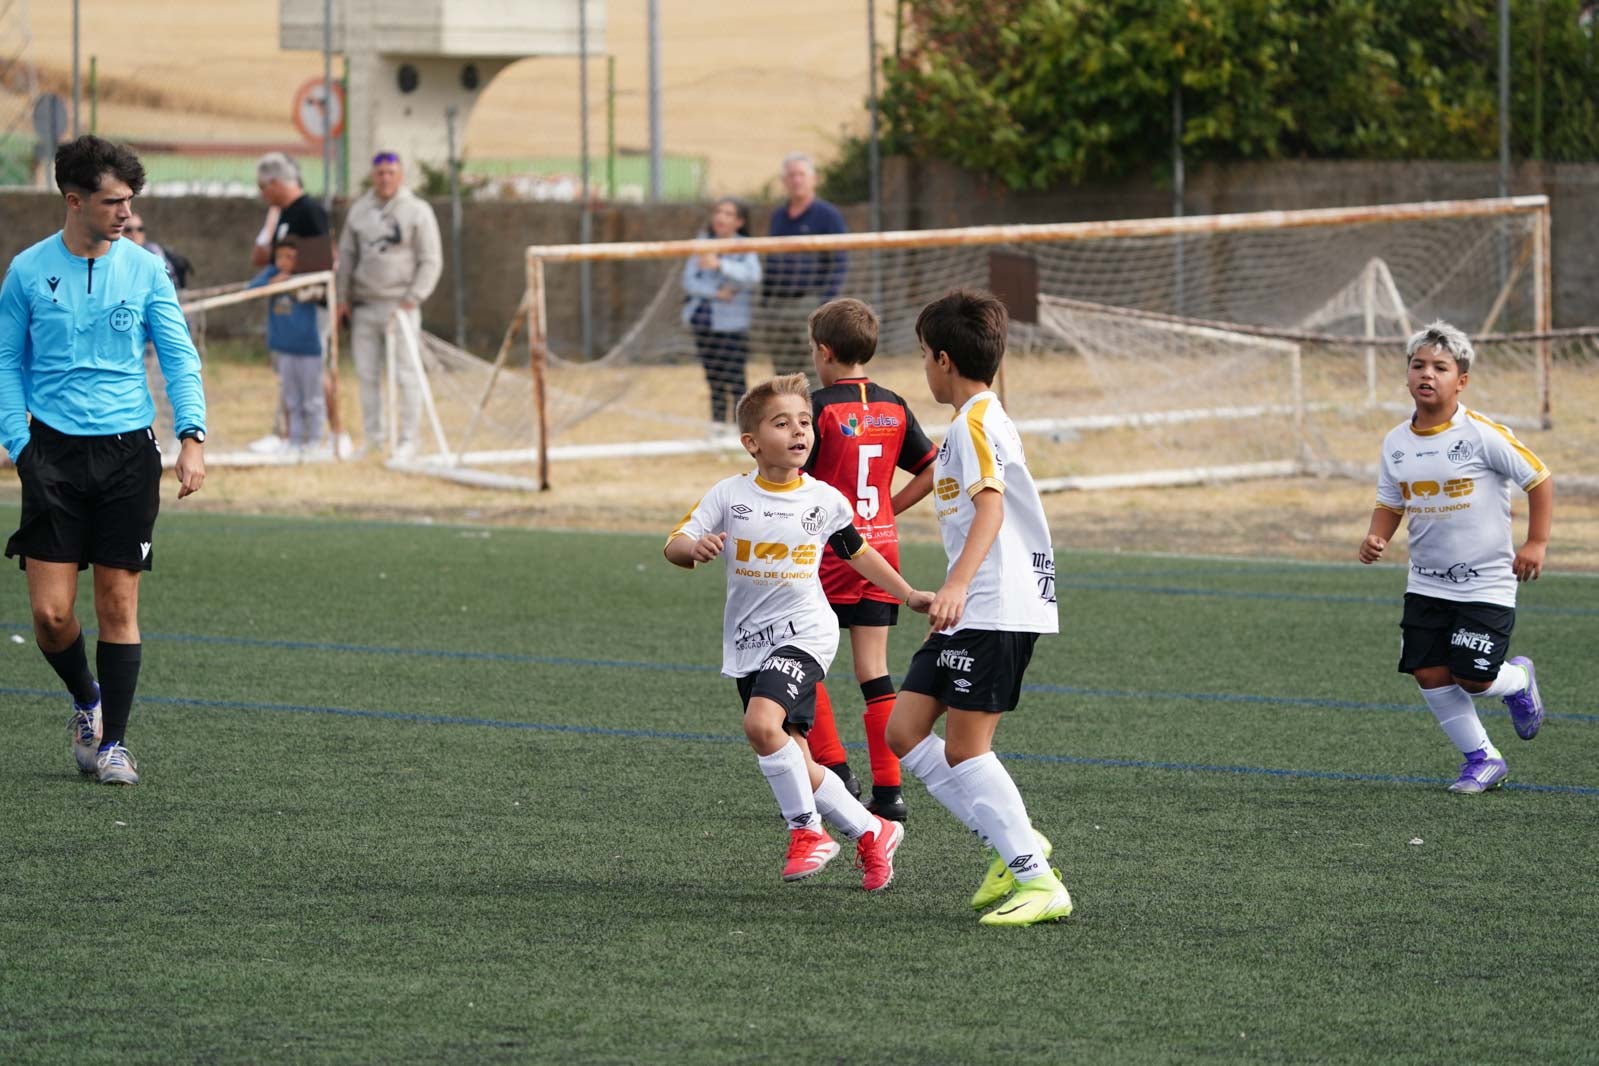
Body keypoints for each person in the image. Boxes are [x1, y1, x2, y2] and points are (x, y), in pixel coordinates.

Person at [664, 373, 933, 891]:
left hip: (806, 634)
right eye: (782, 423)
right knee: (795, 758)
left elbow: (859, 552)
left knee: (761, 725)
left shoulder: (825, 500)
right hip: (749, 643)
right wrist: (691, 552)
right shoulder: (729, 494)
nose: (799, 432)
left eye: (805, 423)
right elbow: (676, 540)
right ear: (751, 442)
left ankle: (807, 831)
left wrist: (908, 593)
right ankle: (872, 829)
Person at [0, 134, 207, 787]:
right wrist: (20, 443)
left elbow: (177, 356)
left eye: (130, 201)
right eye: (114, 201)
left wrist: (192, 435)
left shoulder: (146, 269)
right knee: (51, 615)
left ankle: (114, 743)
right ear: (75, 200)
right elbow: (6, 361)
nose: (126, 213)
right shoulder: (28, 270)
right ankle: (86, 701)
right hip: (51, 452)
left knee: (118, 603)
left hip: (127, 453)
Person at [884, 289, 1071, 927]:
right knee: (904, 732)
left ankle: (1036, 878)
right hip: (973, 606)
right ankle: (1011, 843)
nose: (923, 369)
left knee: (966, 750)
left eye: (922, 357)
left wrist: (957, 584)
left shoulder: (978, 422)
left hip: (995, 605)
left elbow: (990, 505)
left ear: (942, 359)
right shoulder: (968, 422)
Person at [1358, 321, 1552, 794]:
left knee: (1472, 677)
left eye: (1440, 367)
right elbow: (1391, 501)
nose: (1427, 374)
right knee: (1428, 672)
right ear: (1407, 375)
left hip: (1486, 581)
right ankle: (1483, 759)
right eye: (1418, 365)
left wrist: (1536, 543)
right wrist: (1375, 536)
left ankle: (1518, 680)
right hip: (1425, 581)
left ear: (1460, 380)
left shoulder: (1482, 434)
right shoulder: (1396, 442)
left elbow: (1539, 478)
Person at [800, 297, 936, 822]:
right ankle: (890, 793)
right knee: (875, 672)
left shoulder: (818, 408)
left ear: (825, 351)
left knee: (806, 662)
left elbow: (794, 478)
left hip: (832, 552)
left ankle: (835, 772)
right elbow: (930, 467)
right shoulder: (894, 405)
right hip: (882, 548)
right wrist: (888, 506)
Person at [336, 150, 443, 460]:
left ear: (401, 175)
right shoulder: (359, 211)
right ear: (373, 175)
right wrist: (343, 298)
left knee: (406, 374)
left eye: (390, 172)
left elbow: (430, 259)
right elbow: (346, 258)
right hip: (365, 305)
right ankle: (374, 437)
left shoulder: (417, 210)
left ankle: (408, 440)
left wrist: (413, 298)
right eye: (380, 172)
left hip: (401, 307)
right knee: (367, 375)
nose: (385, 178)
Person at [253, 153, 331, 455]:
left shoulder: (310, 211)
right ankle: (291, 436)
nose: (262, 195)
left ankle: (320, 436)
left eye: (263, 187)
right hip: (286, 311)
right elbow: (265, 258)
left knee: (311, 376)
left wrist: (287, 279)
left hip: (310, 310)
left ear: (275, 183)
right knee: (288, 377)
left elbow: (321, 263)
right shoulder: (283, 212)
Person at [758, 152, 847, 377]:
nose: (796, 180)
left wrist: (824, 303)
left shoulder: (828, 215)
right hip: (778, 306)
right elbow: (771, 260)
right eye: (791, 175)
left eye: (801, 174)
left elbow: (840, 261)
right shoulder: (778, 216)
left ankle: (814, 413)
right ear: (784, 181)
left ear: (814, 179)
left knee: (813, 369)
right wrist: (766, 301)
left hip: (809, 303)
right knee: (783, 374)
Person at [681, 197, 760, 424]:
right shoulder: (702, 242)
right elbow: (688, 281)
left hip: (733, 324)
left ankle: (741, 429)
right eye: (718, 211)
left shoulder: (745, 246)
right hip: (704, 321)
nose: (720, 217)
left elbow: (753, 276)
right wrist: (715, 293)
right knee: (713, 379)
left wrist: (720, 265)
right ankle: (717, 426)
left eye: (728, 213)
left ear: (739, 221)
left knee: (736, 379)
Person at [248, 236, 327, 453]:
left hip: (309, 348)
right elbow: (251, 290)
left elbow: (322, 295)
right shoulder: (272, 274)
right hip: (284, 348)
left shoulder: (308, 279)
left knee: (311, 398)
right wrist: (272, 283)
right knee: (291, 399)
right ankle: (294, 440)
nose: (284, 261)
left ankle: (314, 440)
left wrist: (294, 285)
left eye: (290, 257)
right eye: (280, 256)